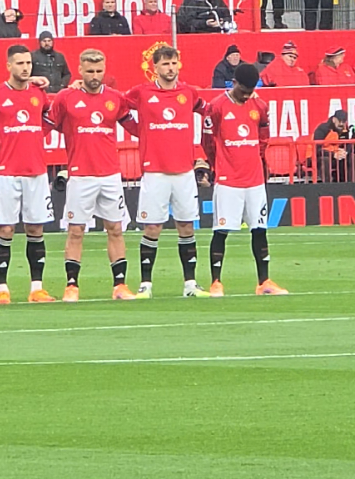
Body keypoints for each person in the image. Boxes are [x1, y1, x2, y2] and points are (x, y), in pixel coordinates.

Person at [47, 49, 137, 301]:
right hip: (81, 174)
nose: (95, 76)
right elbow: (46, 124)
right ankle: (72, 286)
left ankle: (120, 285)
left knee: (115, 229)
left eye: (99, 71)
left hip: (110, 175)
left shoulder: (116, 99)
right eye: (90, 71)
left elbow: (136, 127)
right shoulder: (66, 97)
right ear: (80, 70)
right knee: (76, 231)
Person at [126, 46, 210, 299]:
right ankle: (146, 285)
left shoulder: (189, 92)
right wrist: (139, 131)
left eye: (174, 63)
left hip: (184, 171)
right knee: (152, 227)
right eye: (165, 64)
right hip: (155, 172)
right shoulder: (141, 92)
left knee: (186, 226)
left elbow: (211, 111)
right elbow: (116, 108)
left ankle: (190, 285)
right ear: (155, 68)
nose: (170, 68)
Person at [0, 44, 57, 304]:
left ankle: (37, 288)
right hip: (6, 172)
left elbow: (49, 118)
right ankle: (2, 288)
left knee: (35, 228)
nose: (25, 67)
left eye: (28, 63)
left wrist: (35, 137)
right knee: (6, 228)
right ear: (9, 66)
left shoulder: (38, 93)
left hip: (35, 171)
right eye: (20, 63)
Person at [204, 62, 288, 296]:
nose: (247, 95)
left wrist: (258, 161)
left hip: (254, 180)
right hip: (228, 179)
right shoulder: (216, 107)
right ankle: (216, 282)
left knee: (259, 228)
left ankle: (264, 282)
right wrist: (217, 165)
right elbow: (208, 142)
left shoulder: (260, 105)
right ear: (234, 83)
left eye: (251, 91)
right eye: (243, 91)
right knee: (221, 230)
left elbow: (263, 137)